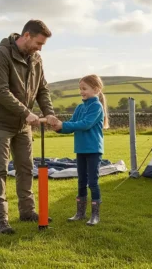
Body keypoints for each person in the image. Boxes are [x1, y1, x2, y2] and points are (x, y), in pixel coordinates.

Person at [0, 19, 57, 234]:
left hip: (23, 126)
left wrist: (49, 114)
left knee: (25, 168)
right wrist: (26, 113)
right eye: (38, 43)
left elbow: (42, 90)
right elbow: (0, 91)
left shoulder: (36, 59)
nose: (40, 48)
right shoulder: (0, 55)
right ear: (26, 36)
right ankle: (0, 221)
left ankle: (27, 212)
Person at [51, 74, 109, 226]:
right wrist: (59, 128)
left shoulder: (96, 106)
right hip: (81, 149)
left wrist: (64, 125)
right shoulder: (79, 107)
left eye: (84, 88)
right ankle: (80, 213)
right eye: (80, 89)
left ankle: (95, 215)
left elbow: (85, 124)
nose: (81, 92)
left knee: (93, 182)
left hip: (94, 150)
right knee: (81, 181)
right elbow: (71, 124)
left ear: (96, 89)